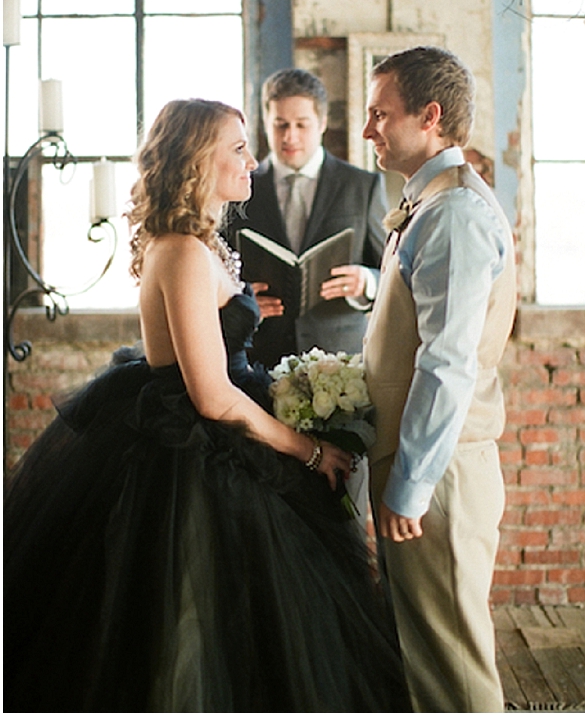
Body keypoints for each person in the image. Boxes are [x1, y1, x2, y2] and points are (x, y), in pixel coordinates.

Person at [4, 98, 410, 713]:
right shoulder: (184, 250)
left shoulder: (202, 242)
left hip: (219, 434)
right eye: (238, 149)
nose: (252, 160)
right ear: (199, 160)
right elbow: (212, 395)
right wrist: (308, 449)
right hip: (193, 454)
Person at [362, 47, 517, 713]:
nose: (369, 129)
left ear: (429, 117)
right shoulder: (427, 202)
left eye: (379, 114)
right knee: (425, 661)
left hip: (441, 472)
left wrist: (411, 483)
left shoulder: (454, 214)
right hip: (424, 462)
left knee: (452, 674)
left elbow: (447, 364)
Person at [226, 68, 387, 371]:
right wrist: (242, 306)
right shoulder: (237, 188)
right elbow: (215, 277)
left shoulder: (362, 187)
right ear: (265, 123)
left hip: (341, 365)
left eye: (301, 124)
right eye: (280, 125)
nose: (290, 137)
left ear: (322, 123)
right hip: (258, 359)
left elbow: (393, 273)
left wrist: (367, 282)